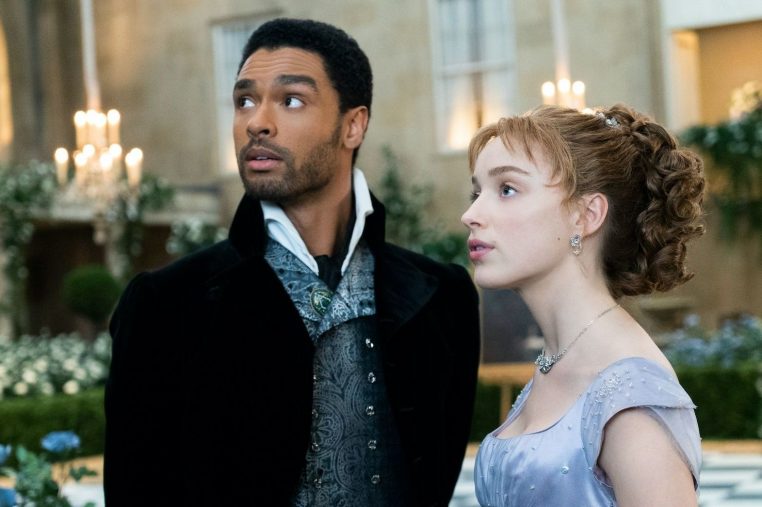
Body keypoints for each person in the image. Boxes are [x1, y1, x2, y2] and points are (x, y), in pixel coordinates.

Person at [104, 18, 481, 507]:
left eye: (291, 100)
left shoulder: (443, 296)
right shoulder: (165, 303)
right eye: (244, 100)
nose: (257, 122)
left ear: (353, 125)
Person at [462, 104, 705, 506]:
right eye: (477, 192)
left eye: (506, 189)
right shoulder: (557, 358)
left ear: (586, 215)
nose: (471, 214)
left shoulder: (630, 396)